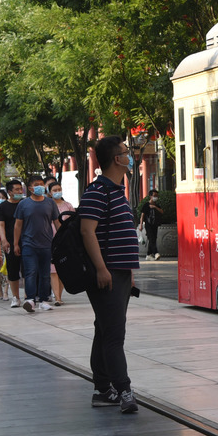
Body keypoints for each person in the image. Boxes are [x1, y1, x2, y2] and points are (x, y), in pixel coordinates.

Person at [80, 136, 141, 413]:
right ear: (117, 159)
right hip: (107, 274)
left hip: (121, 273)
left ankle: (103, 389)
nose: (130, 156)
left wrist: (128, 273)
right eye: (126, 152)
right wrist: (102, 269)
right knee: (115, 333)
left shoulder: (117, 191)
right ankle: (124, 390)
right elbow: (86, 231)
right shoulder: (97, 191)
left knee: (104, 330)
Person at [14, 175, 60, 312]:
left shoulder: (50, 203)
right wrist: (16, 243)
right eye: (36, 184)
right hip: (29, 245)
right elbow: (18, 226)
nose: (40, 186)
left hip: (47, 244)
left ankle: (44, 300)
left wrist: (62, 240)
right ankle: (30, 299)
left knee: (45, 274)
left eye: (41, 184)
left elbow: (57, 222)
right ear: (30, 188)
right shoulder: (23, 204)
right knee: (31, 272)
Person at [0, 180, 25, 308]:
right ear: (10, 192)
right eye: (17, 189)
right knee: (12, 270)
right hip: (10, 242)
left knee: (28, 270)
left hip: (27, 241)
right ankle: (16, 297)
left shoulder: (25, 203)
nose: (20, 191)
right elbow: (1, 225)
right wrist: (3, 240)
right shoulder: (2, 207)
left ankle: (30, 296)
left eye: (21, 189)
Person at [48, 181, 75, 305]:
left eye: (59, 189)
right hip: (50, 240)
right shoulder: (47, 205)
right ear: (50, 192)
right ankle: (57, 297)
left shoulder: (68, 206)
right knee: (53, 270)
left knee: (64, 268)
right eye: (55, 190)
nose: (57, 192)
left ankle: (59, 294)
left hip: (65, 241)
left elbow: (74, 222)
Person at [140, 189, 163, 260]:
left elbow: (162, 211)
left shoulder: (157, 205)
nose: (156, 197)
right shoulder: (146, 205)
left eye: (157, 196)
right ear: (150, 196)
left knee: (153, 238)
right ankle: (156, 253)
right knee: (151, 238)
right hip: (148, 224)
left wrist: (155, 207)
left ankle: (148, 254)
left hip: (155, 224)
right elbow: (142, 215)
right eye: (154, 195)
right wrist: (141, 225)